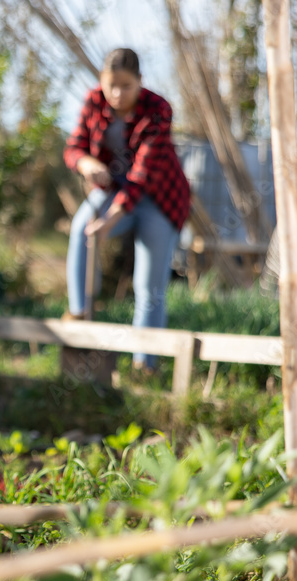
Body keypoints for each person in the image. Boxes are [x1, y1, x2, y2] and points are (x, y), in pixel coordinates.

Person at [63, 47, 190, 369]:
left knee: (148, 286)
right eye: (111, 86)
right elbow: (73, 148)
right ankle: (79, 315)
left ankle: (144, 366)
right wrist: (86, 163)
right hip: (112, 191)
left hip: (158, 199)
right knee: (81, 230)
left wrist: (109, 220)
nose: (117, 94)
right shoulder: (94, 101)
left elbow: (141, 177)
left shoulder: (158, 109)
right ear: (102, 82)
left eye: (126, 86)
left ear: (140, 82)